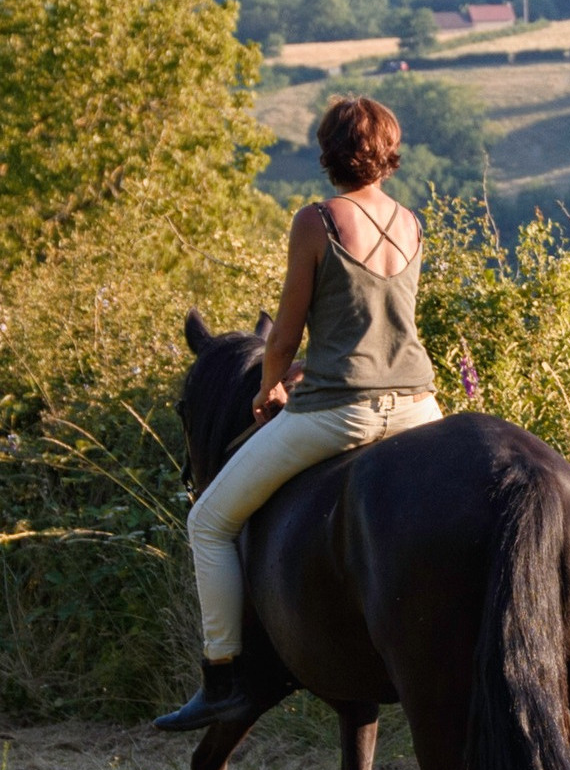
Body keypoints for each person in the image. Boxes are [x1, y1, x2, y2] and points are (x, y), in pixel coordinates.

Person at [156, 96, 440, 732]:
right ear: (388, 153)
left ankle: (223, 676)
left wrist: (268, 389)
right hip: (421, 407)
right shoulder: (412, 224)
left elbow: (282, 337)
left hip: (344, 414)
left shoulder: (318, 222)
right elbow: (379, 331)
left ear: (329, 151)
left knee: (208, 521)